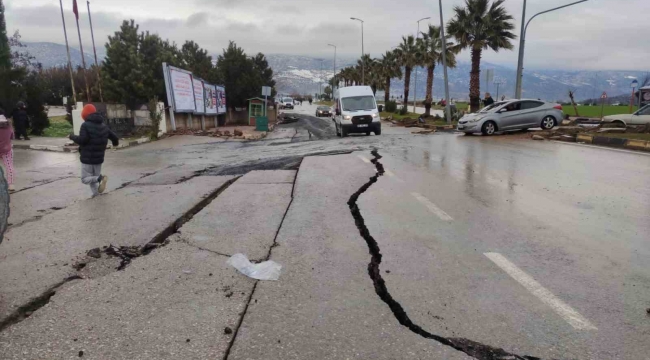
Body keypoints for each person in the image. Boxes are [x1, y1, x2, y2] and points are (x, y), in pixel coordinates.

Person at [69, 104, 119, 197]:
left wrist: (72, 137)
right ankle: (96, 195)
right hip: (99, 159)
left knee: (85, 179)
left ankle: (101, 178)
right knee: (93, 179)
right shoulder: (103, 126)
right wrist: (115, 143)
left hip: (87, 158)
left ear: (85, 114)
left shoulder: (85, 125)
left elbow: (82, 140)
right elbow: (115, 137)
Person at [0, 109, 15, 192]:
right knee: (9, 166)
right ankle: (11, 184)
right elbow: (12, 137)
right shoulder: (8, 125)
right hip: (6, 149)